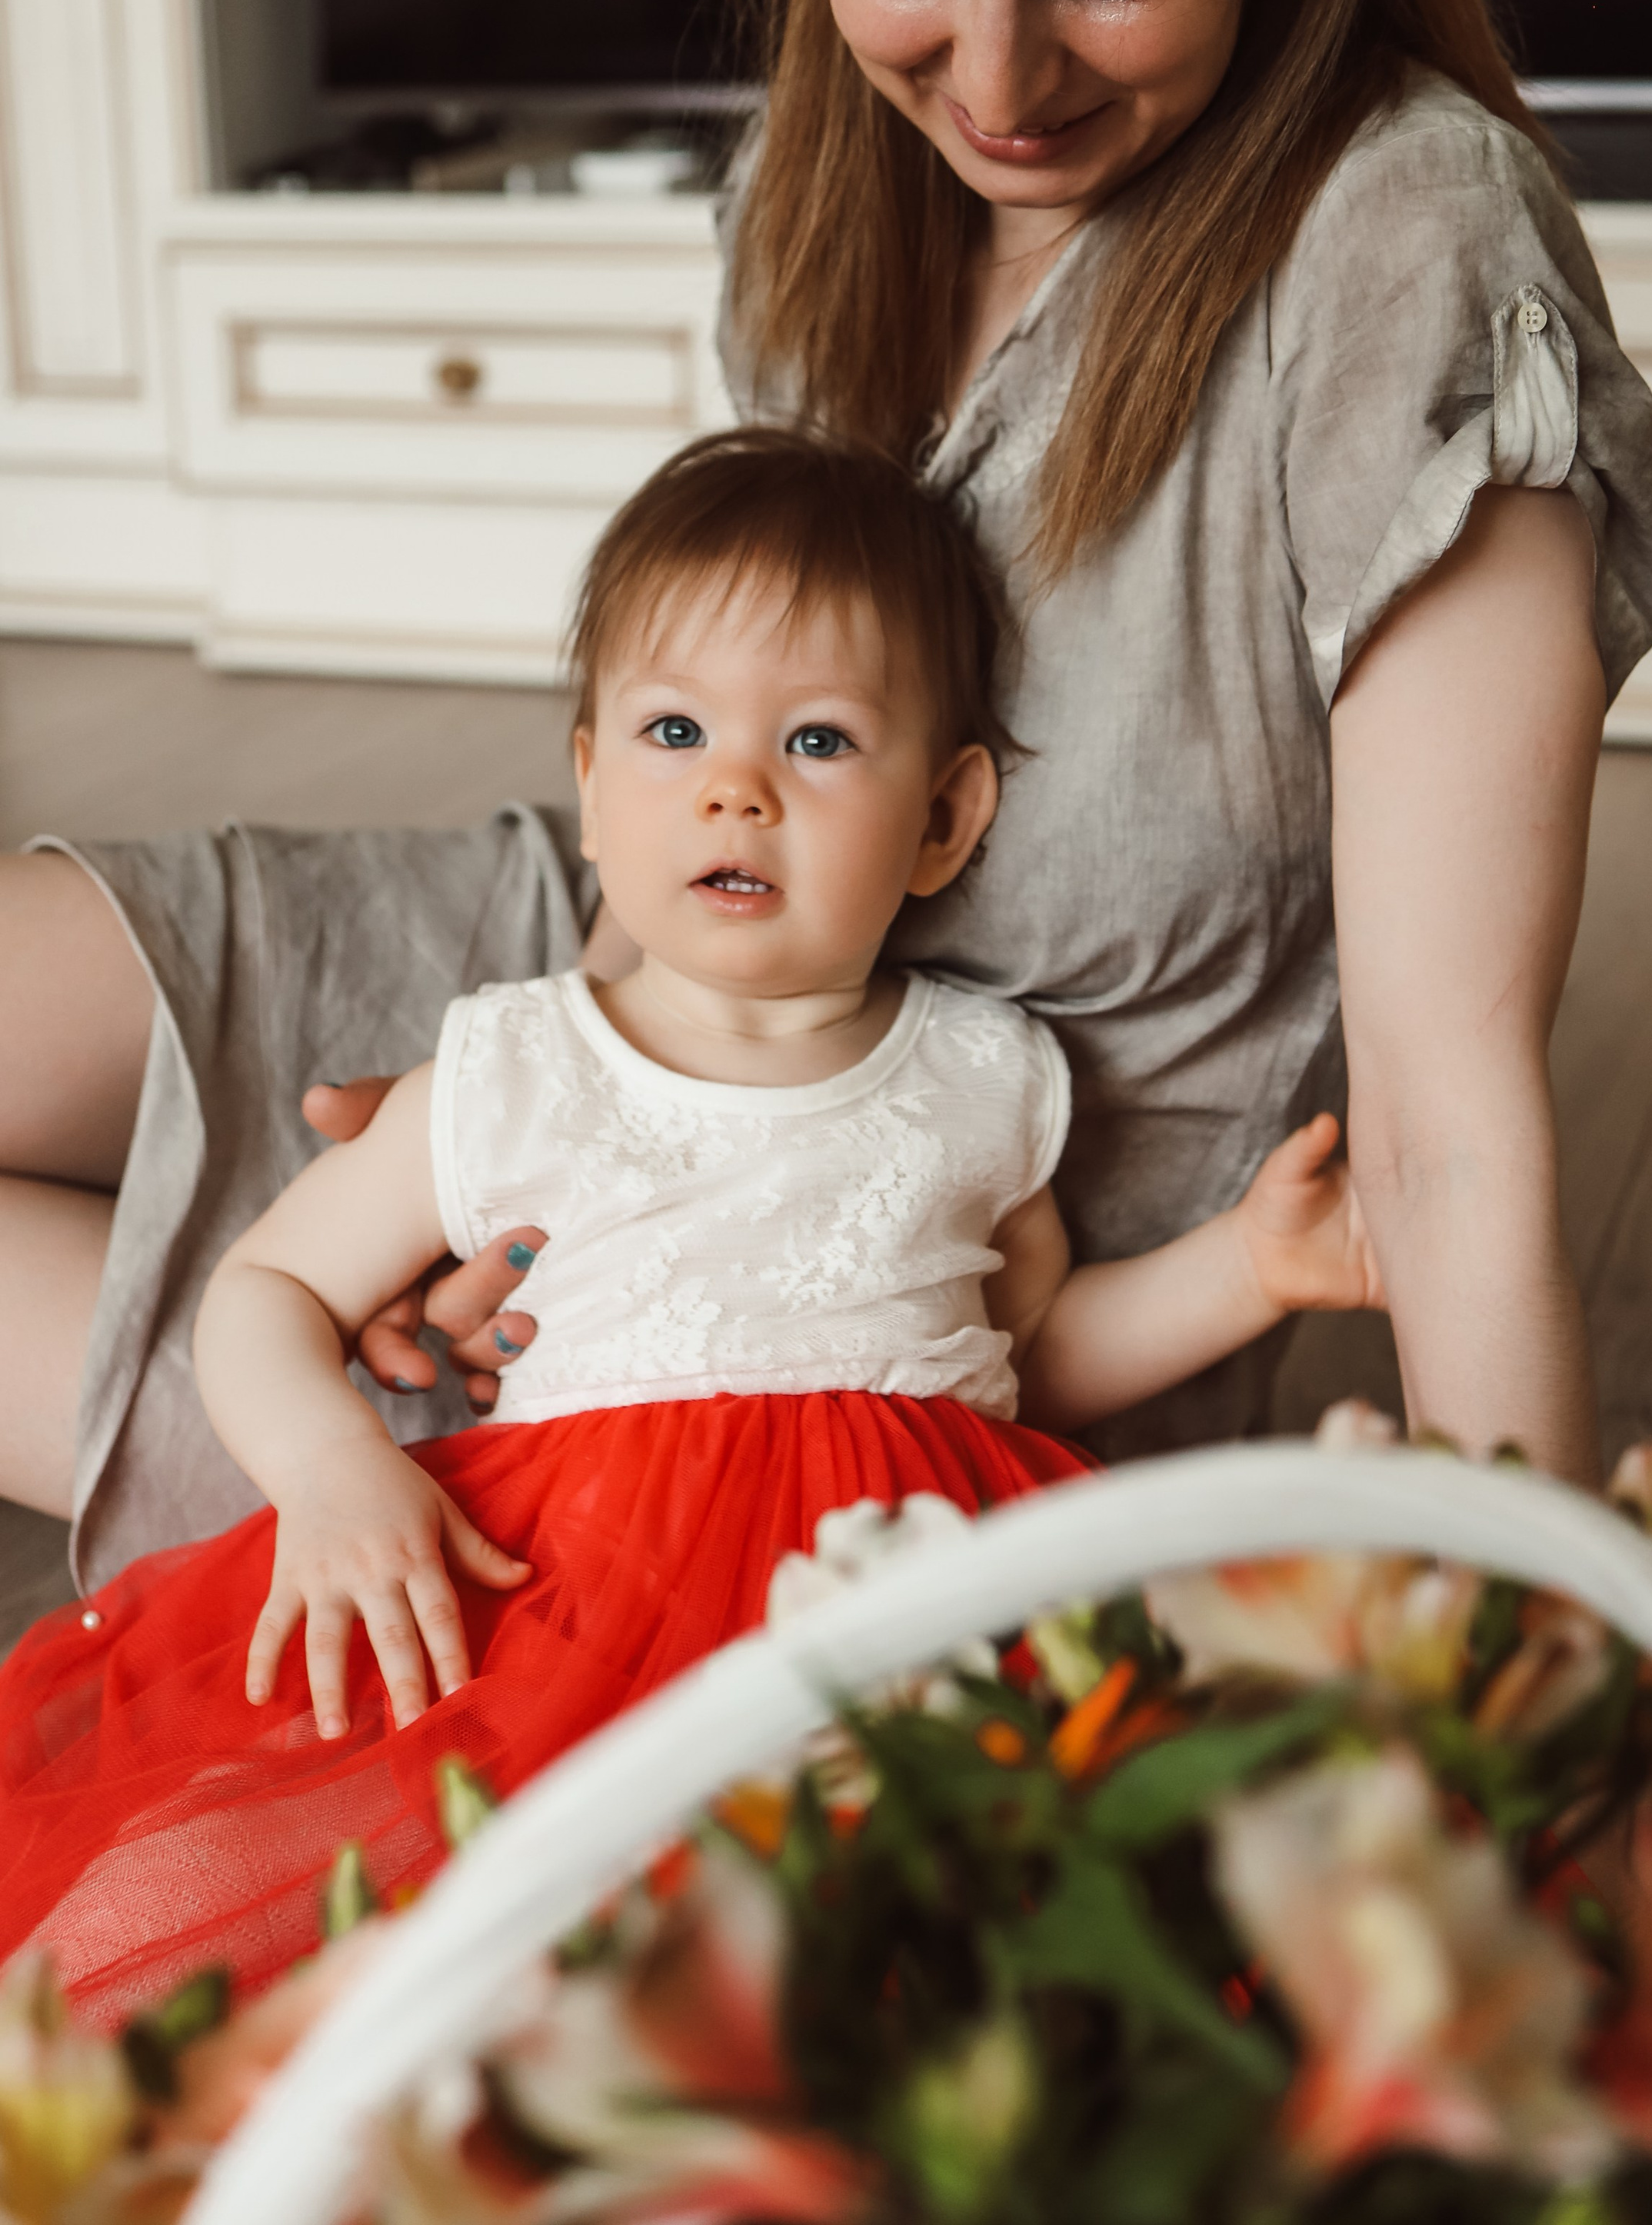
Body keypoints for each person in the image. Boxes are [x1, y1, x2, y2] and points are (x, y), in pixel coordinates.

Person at [0, 0, 1652, 1592]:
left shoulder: (1411, 257)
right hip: (607, 973)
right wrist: (520, 1132)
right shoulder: (830, 187)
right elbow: (713, 733)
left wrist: (1548, 1705)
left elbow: (1456, 1128)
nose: (996, 82)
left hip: (874, 1302)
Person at [0, 431, 1382, 2023]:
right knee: (295, 1928)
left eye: (813, 742)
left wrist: (1246, 1270)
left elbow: (1038, 1353)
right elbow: (269, 1290)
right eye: (674, 732)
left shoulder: (985, 1073)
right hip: (568, 1605)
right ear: (592, 787)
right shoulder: (509, 1064)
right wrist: (332, 1472)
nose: (734, 785)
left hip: (919, 1609)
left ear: (943, 820)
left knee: (1008, 1951)